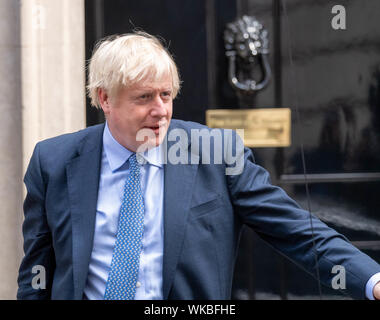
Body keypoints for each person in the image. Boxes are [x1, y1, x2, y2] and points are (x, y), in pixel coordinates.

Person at [17, 31, 380, 300]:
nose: (160, 111)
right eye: (144, 97)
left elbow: (297, 230)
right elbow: (37, 268)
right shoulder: (54, 161)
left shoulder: (216, 153)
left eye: (166, 94)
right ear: (104, 98)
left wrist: (372, 280)